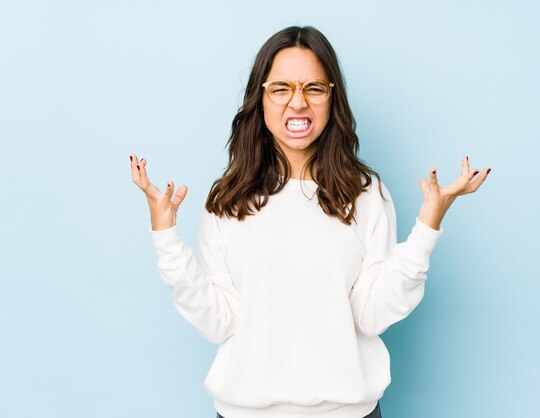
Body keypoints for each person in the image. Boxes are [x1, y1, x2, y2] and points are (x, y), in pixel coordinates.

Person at [130, 25, 490, 418]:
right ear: (260, 98)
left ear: (332, 99)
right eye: (281, 88)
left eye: (314, 89)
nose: (297, 103)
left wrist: (427, 227)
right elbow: (218, 321)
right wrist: (165, 235)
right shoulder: (227, 199)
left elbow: (372, 314)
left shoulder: (366, 193)